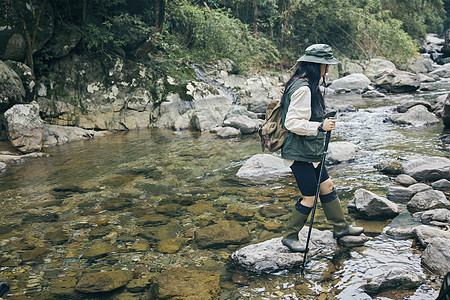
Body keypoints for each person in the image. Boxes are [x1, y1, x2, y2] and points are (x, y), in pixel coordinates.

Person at [280, 44, 364, 252]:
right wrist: (319, 125)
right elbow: (290, 122)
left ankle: (341, 228)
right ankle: (290, 237)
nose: (328, 68)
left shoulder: (305, 83)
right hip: (299, 153)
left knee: (327, 187)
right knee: (310, 197)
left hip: (310, 151)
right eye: (326, 64)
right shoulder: (302, 88)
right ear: (319, 66)